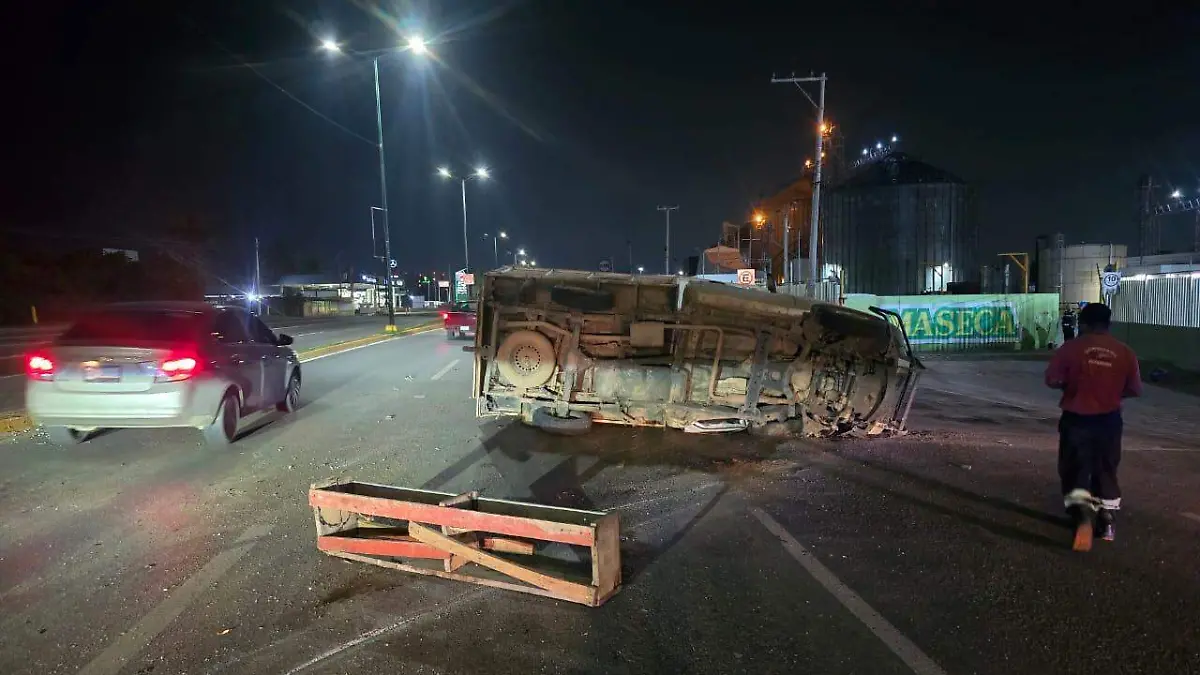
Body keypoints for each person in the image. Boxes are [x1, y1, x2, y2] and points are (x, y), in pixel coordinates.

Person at [1044, 302, 1141, 551]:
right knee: (1106, 467)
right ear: (1108, 324)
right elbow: (1133, 389)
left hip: (1077, 419)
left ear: (1084, 324)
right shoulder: (1125, 352)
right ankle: (1107, 521)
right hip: (1109, 420)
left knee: (1075, 468)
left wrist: (1071, 385)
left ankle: (1083, 518)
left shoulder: (1071, 349)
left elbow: (1052, 379)